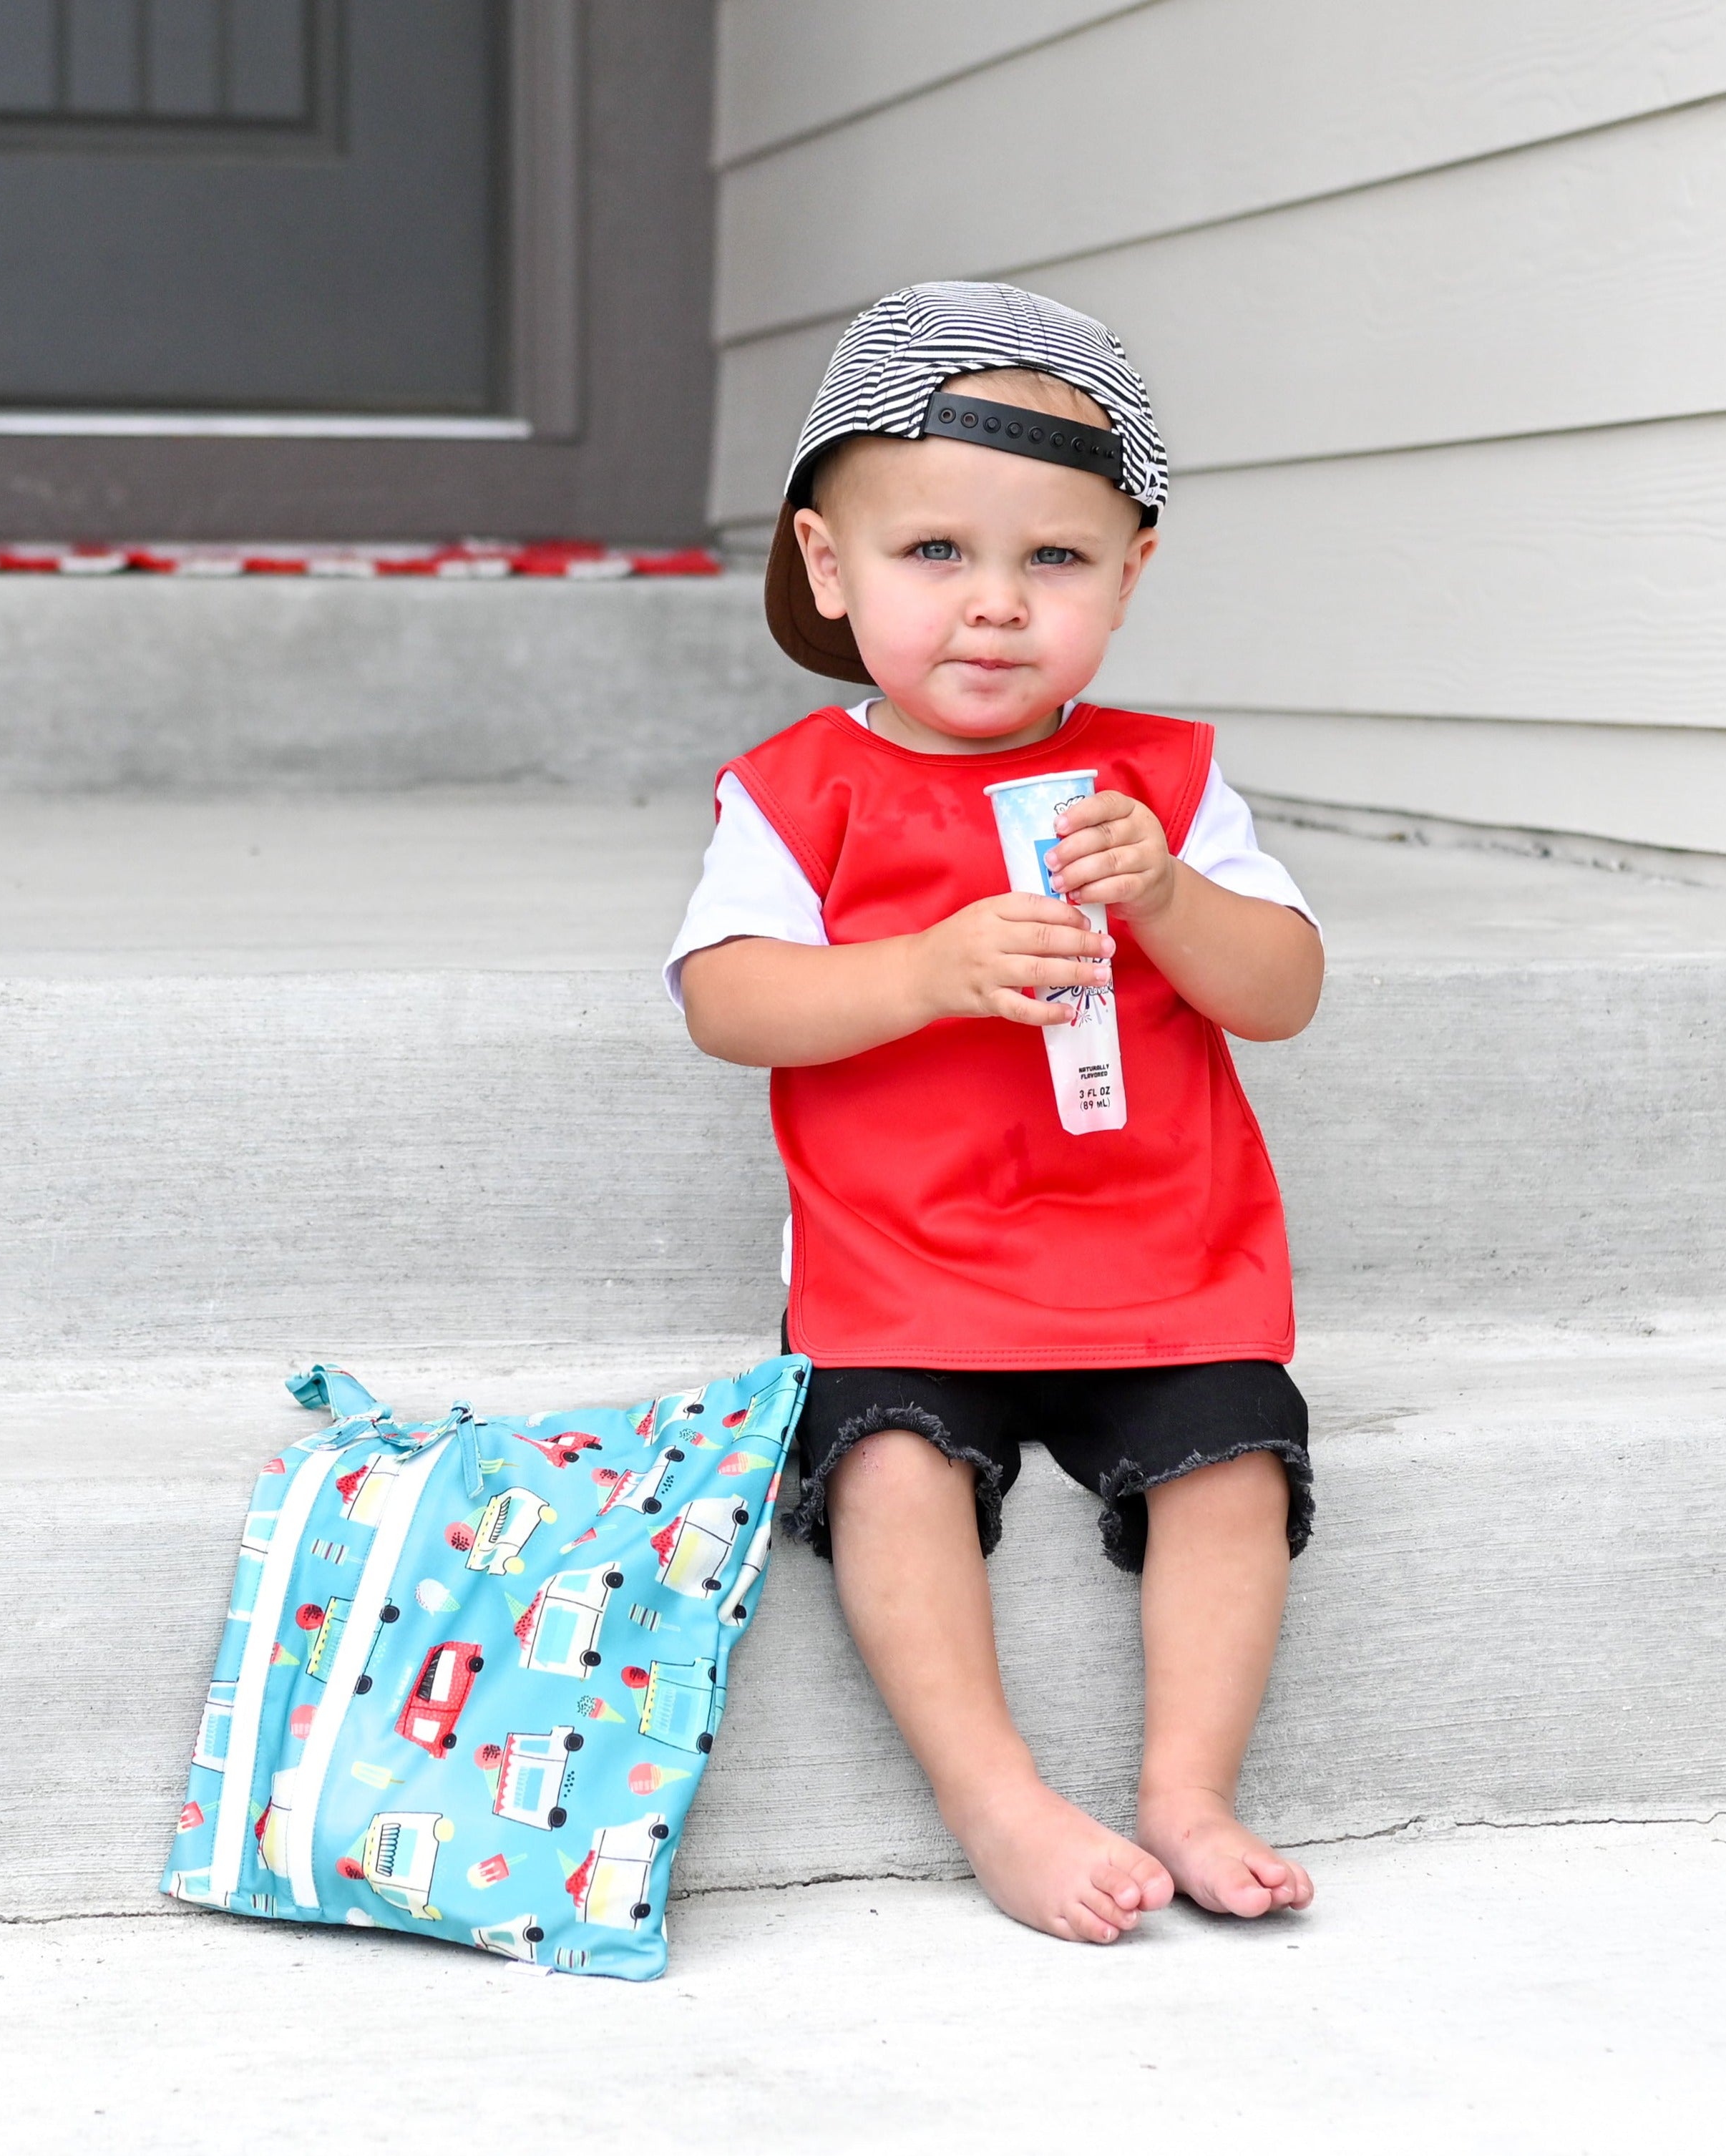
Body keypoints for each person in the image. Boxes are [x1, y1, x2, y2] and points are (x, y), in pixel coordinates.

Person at [667, 284, 1325, 1945]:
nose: (994, 608)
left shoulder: (1160, 783)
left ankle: (1187, 1784)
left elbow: (1284, 986)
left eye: (1055, 561)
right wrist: (920, 970)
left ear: (1128, 578)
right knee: (889, 1466)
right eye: (934, 554)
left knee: (1233, 1458)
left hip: (1157, 1258)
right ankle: (998, 1797)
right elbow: (727, 1000)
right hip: (911, 1268)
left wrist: (1171, 899)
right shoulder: (796, 792)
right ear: (829, 566)